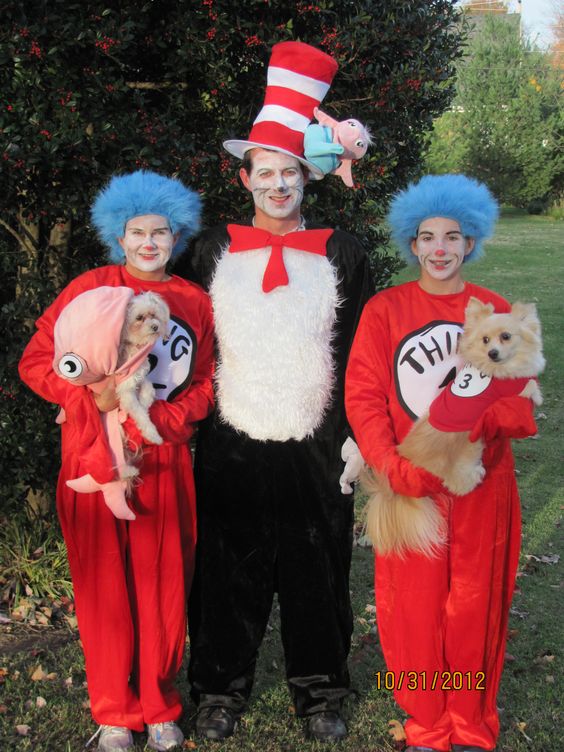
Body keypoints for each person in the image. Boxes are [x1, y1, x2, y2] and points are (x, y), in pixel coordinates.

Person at [173, 41, 373, 743]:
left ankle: (320, 691)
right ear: (246, 177)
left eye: (290, 173)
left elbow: (359, 350)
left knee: (318, 568)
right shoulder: (207, 252)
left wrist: (358, 434)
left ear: (307, 177)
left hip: (318, 439)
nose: (279, 186)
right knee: (228, 570)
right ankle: (219, 688)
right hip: (231, 436)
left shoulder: (343, 250)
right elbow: (182, 341)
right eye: (266, 173)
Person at [18, 171, 215, 752]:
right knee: (103, 585)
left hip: (162, 460)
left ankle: (158, 706)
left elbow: (205, 383)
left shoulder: (193, 301)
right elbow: (37, 361)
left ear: (176, 238)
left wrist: (169, 425)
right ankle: (112, 710)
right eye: (138, 232)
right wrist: (88, 398)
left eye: (162, 232)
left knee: (163, 585)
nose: (150, 242)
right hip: (90, 454)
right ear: (119, 236)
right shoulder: (90, 288)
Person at [345, 174, 539, 752]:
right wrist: (387, 462)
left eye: (453, 237)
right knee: (414, 610)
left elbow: (524, 404)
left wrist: (479, 424)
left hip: (483, 484)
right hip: (412, 480)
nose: (440, 249)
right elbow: (364, 393)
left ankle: (471, 724)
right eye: (427, 237)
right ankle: (427, 725)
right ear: (412, 244)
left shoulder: (495, 310)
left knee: (474, 607)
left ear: (470, 242)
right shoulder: (385, 309)